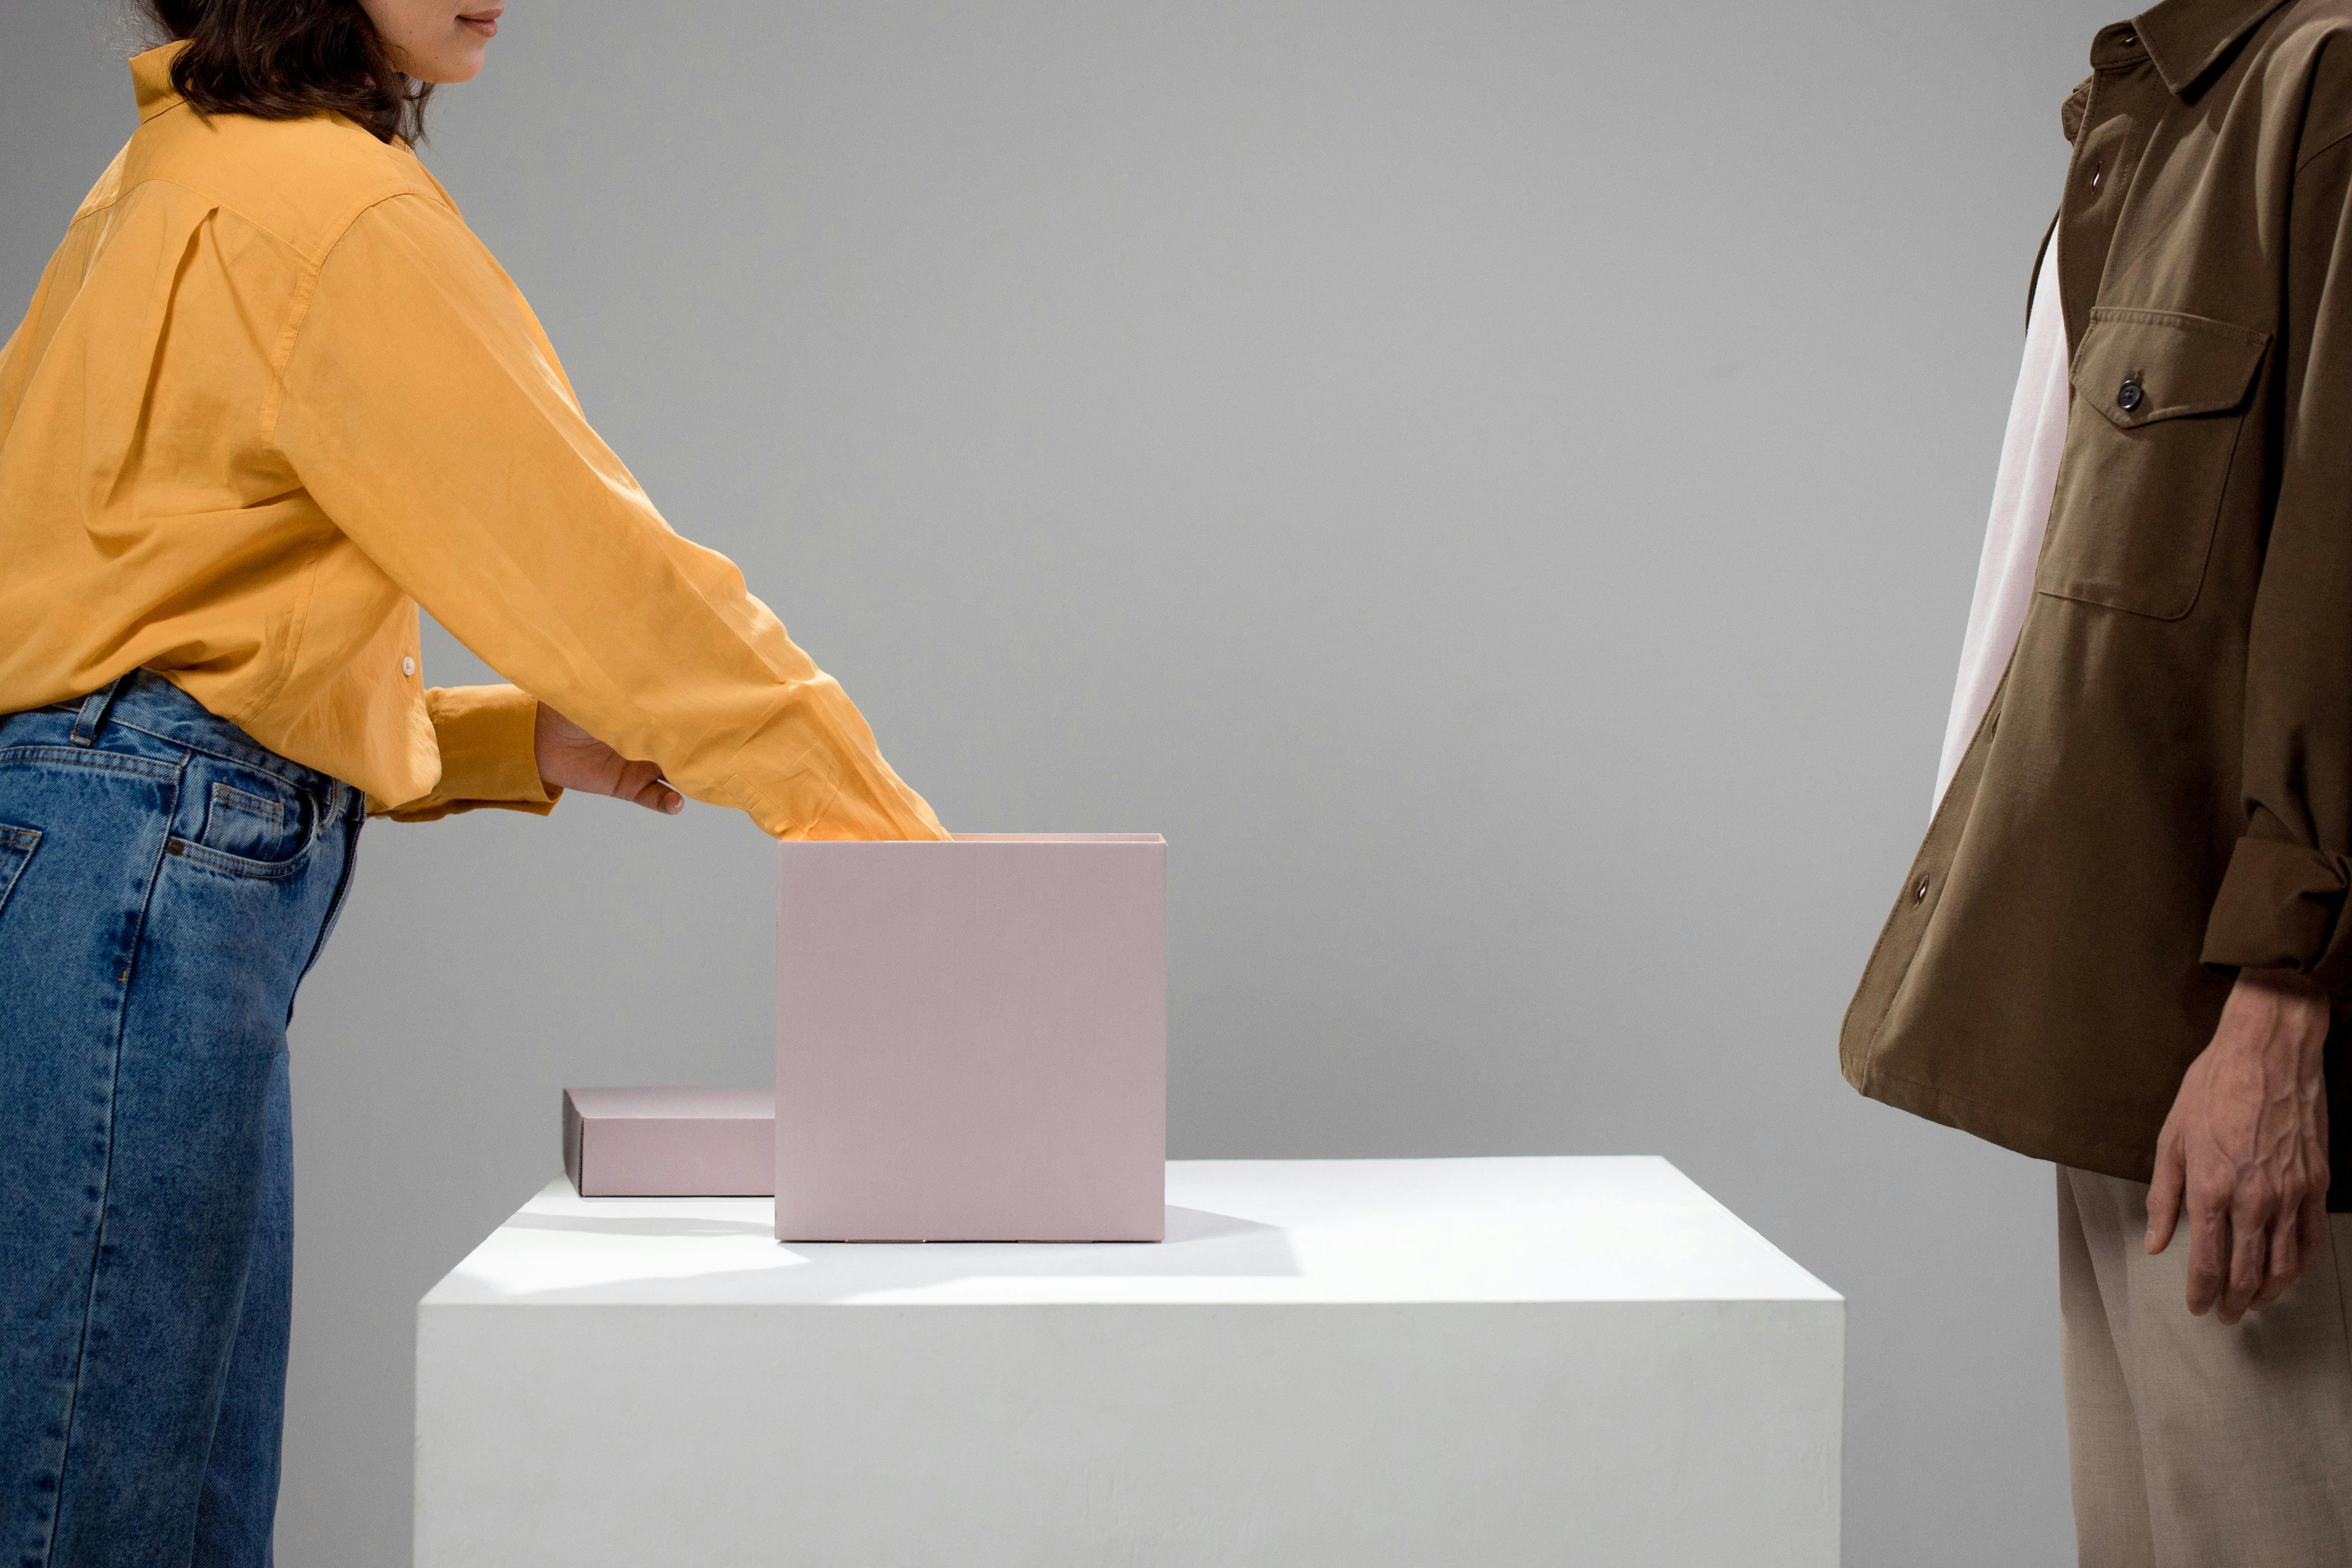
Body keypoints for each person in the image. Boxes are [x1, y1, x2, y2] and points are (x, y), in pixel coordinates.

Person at [0, 2, 948, 1563]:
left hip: (91, 861)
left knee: (132, 1506)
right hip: (145, 889)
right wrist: (893, 850)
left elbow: (134, 641)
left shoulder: (159, 177)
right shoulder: (335, 208)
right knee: (107, 1523)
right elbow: (605, 577)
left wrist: (514, 742)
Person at [1843, 2, 2352, 1562]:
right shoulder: (2156, 109)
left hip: (2252, 1051)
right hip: (2124, 1022)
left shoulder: (2320, 85)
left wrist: (2277, 1009)